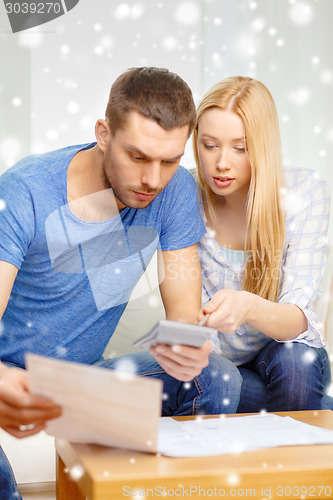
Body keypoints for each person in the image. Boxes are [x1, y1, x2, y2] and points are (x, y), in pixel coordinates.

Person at [0, 67, 241, 497]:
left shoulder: (175, 191)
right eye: (137, 157)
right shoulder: (24, 192)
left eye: (170, 160)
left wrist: (185, 343)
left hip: (82, 380)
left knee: (218, 377)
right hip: (9, 375)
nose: (153, 179)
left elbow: (183, 316)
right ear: (103, 133)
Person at [193, 75, 332, 412]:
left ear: (263, 145)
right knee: (221, 382)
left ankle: (293, 456)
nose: (222, 162)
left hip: (285, 355)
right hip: (222, 367)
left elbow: (297, 321)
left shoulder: (304, 192)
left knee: (296, 367)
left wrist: (248, 306)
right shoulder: (186, 195)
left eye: (240, 148)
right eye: (209, 145)